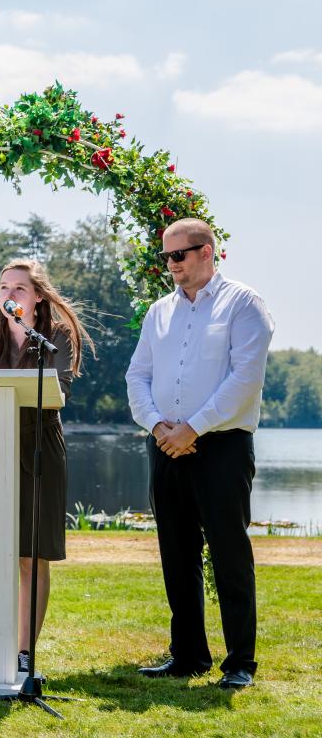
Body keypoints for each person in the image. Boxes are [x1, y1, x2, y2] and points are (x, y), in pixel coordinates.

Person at [126, 218, 274, 690]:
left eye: (179, 256)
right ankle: (188, 656)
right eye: (166, 257)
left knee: (230, 553)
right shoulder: (159, 312)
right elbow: (137, 377)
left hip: (222, 446)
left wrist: (194, 427)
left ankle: (240, 664)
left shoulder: (244, 305)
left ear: (207, 251)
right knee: (176, 553)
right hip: (165, 444)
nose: (170, 265)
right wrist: (158, 426)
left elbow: (245, 378)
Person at [0, 259, 93, 673]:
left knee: (30, 557)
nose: (9, 295)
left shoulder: (55, 338)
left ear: (38, 295)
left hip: (40, 449)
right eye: (3, 287)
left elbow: (60, 393)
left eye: (19, 288)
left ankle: (24, 653)